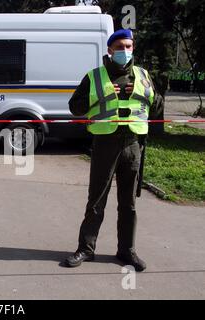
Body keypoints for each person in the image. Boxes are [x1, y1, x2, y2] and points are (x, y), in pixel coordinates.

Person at [65, 29, 163, 272]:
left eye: (129, 46)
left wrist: (141, 93)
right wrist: (102, 97)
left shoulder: (142, 75)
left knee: (128, 203)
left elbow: (158, 105)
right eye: (119, 46)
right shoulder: (95, 76)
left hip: (133, 144)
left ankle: (126, 250)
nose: (125, 51)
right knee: (96, 200)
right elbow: (75, 107)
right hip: (105, 144)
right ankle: (86, 249)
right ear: (110, 50)